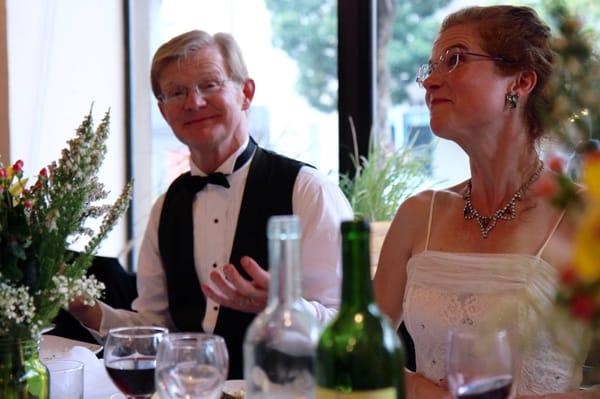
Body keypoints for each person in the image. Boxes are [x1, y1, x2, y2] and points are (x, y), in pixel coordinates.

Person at [69, 30, 353, 379]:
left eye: (210, 85)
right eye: (177, 92)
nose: (194, 103)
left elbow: (349, 327)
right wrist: (88, 311)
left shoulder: (308, 192)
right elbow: (156, 328)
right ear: (163, 110)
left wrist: (284, 307)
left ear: (245, 93)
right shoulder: (166, 208)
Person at [373, 5, 591, 398]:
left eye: (454, 60)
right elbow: (363, 348)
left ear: (521, 82)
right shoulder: (418, 214)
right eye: (431, 67)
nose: (430, 82)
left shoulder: (583, 218)